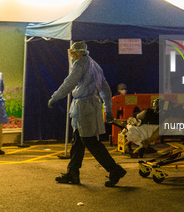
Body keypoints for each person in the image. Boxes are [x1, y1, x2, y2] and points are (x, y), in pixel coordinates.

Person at [48, 42, 126, 187]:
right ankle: (73, 173)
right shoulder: (95, 65)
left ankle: (114, 169)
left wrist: (55, 97)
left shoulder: (80, 65)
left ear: (77, 53)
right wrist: (108, 110)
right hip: (92, 105)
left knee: (90, 142)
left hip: (83, 107)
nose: (72, 56)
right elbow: (106, 90)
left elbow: (69, 83)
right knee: (78, 141)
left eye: (72, 54)